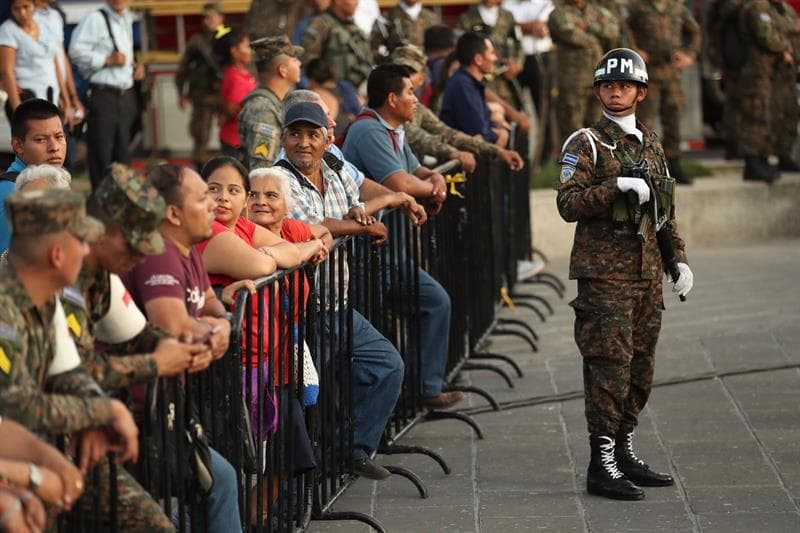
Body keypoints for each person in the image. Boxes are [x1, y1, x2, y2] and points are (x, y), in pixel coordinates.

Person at [556, 48, 693, 501]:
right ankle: (602, 463)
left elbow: (663, 210)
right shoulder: (586, 143)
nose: (616, 92)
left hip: (647, 274)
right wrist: (611, 187)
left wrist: (678, 260)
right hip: (605, 278)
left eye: (625, 86)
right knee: (608, 369)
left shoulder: (651, 143)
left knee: (640, 369)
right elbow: (567, 204)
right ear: (598, 90)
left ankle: (624, 449)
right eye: (608, 86)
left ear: (641, 92)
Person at [0, 188, 174, 530]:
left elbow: (68, 371)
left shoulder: (42, 298)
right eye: (81, 241)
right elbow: (16, 403)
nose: (87, 249)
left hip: (35, 454)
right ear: (56, 254)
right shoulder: (6, 309)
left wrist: (94, 415)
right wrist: (107, 410)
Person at [272, 101, 405, 480]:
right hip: (300, 313)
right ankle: (290, 491)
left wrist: (364, 215)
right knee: (300, 399)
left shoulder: (333, 169)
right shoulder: (278, 180)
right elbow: (309, 226)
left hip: (336, 304)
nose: (303, 142)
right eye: (295, 134)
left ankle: (349, 450)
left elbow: (354, 206)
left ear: (327, 138)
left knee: (386, 366)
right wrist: (361, 226)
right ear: (283, 137)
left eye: (312, 134)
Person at [120, 164, 244, 531]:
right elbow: (173, 325)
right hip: (134, 416)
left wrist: (220, 325)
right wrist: (214, 332)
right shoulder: (157, 250)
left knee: (219, 481)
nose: (213, 206)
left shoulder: (187, 248)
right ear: (173, 213)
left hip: (165, 409)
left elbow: (210, 304)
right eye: (203, 197)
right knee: (214, 483)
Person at [340, 65, 464, 409]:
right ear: (392, 99)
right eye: (410, 93)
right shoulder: (367, 130)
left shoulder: (395, 130)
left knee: (434, 301)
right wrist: (430, 189)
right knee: (377, 326)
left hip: (391, 250)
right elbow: (402, 183)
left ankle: (422, 387)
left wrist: (435, 184)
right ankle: (394, 401)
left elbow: (419, 172)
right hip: (367, 251)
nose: (415, 99)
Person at [392, 44, 525, 171]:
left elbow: (448, 134)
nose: (403, 77)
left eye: (410, 72)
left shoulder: (418, 109)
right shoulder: (385, 101)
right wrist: (454, 153)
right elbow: (416, 137)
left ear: (422, 78)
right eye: (397, 71)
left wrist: (498, 151)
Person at [68, 0, 144, 190]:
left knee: (123, 155)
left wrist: (135, 66)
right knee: (101, 154)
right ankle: (100, 209)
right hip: (103, 95)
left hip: (126, 94)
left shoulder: (127, 17)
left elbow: (123, 53)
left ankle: (122, 206)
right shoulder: (95, 19)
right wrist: (106, 60)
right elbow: (75, 51)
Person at [628, 0, 700, 185]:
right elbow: (625, 28)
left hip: (671, 72)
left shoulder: (676, 7)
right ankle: (644, 167)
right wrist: (634, 49)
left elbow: (694, 31)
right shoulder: (638, 7)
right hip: (647, 72)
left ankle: (673, 164)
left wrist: (689, 55)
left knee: (673, 118)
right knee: (645, 121)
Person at [731, 0, 798, 182]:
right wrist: (786, 43)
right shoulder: (757, 7)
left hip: (776, 74)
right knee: (756, 117)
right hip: (757, 73)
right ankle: (753, 163)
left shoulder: (784, 9)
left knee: (775, 116)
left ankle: (766, 159)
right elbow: (766, 36)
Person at [0, 99, 66, 253]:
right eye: (41, 140)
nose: (54, 148)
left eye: (59, 137)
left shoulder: (54, 181)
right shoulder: (12, 195)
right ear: (18, 146)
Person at [548, 0, 619, 142]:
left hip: (598, 79)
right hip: (572, 81)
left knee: (598, 128)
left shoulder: (598, 11)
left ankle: (596, 163)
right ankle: (573, 163)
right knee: (572, 131)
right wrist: (597, 35)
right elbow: (570, 34)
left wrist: (589, 27)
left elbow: (613, 31)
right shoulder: (558, 13)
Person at [238, 36, 303, 170]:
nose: (299, 63)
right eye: (294, 60)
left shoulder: (274, 103)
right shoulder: (263, 109)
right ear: (282, 70)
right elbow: (262, 168)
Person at [502, 0, 555, 162]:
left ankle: (545, 157)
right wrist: (530, 27)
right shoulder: (507, 4)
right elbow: (506, 25)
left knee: (543, 108)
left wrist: (524, 26)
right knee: (513, 108)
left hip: (539, 58)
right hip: (515, 62)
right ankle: (516, 153)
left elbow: (550, 25)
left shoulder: (545, 3)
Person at [176, 2, 225, 170]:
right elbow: (183, 67)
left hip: (225, 95)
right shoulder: (197, 41)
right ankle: (201, 171)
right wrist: (180, 92)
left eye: (211, 17)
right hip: (202, 95)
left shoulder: (228, 38)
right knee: (200, 136)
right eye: (204, 18)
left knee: (231, 136)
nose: (207, 21)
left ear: (220, 18)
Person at [439, 32, 508, 147]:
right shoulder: (462, 86)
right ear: (478, 59)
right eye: (491, 53)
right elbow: (477, 129)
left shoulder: (469, 83)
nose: (495, 58)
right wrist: (499, 134)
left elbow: (485, 117)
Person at [0, 0, 63, 117]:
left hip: (51, 94)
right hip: (27, 97)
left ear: (34, 5)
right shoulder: (7, 30)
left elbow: (55, 63)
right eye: (16, 9)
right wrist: (17, 109)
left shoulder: (44, 25)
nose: (22, 13)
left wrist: (65, 98)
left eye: (26, 7)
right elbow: (6, 71)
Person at [457, 0, 525, 107]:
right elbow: (461, 46)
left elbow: (518, 43)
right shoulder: (467, 18)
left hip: (504, 78)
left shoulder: (508, 16)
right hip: (479, 76)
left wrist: (516, 64)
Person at [301, 0, 373, 94]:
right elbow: (308, 60)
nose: (356, 2)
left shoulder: (353, 26)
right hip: (331, 93)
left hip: (357, 92)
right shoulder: (321, 24)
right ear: (338, 1)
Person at [215, 26, 256, 161]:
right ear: (234, 51)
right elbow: (232, 109)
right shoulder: (235, 78)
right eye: (246, 46)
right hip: (235, 142)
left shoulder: (245, 75)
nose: (250, 51)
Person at [371, 0, 439, 60]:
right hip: (397, 70)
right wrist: (389, 62)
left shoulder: (432, 19)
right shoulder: (386, 18)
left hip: (426, 69)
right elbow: (372, 48)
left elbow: (440, 47)